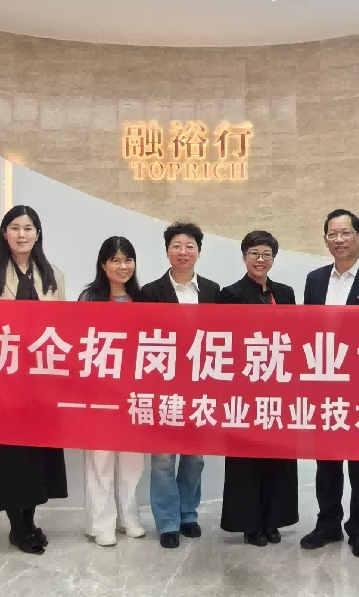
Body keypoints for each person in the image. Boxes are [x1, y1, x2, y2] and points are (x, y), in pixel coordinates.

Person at [299, 209, 359, 559]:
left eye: (345, 233)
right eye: (332, 234)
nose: (339, 240)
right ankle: (328, 523)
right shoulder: (314, 280)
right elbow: (307, 332)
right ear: (326, 239)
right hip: (324, 383)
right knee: (326, 462)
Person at [0, 205, 68, 555]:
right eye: (15, 227)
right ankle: (18, 527)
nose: (22, 234)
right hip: (5, 384)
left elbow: (62, 330)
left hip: (41, 382)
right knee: (11, 457)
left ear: (38, 233)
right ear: (4, 233)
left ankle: (30, 519)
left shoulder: (54, 275)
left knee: (37, 456)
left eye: (28, 228)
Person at [141, 221, 220, 549]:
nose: (183, 252)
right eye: (176, 246)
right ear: (167, 251)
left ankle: (188, 514)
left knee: (195, 457)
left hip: (201, 385)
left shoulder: (213, 291)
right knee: (162, 458)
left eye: (189, 246)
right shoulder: (150, 292)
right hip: (163, 386)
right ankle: (167, 521)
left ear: (198, 251)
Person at [218, 230, 299, 547]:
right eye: (254, 253)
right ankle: (250, 523)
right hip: (245, 387)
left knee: (278, 454)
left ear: (273, 259)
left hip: (280, 386)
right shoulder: (230, 294)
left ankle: (273, 520)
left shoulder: (286, 293)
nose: (260, 259)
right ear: (244, 257)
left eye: (266, 254)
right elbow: (226, 341)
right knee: (247, 458)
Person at [78, 236, 147, 547]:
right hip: (100, 390)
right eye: (116, 260)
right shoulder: (89, 298)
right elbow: (79, 342)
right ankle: (100, 523)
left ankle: (128, 517)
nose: (123, 266)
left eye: (128, 260)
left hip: (134, 391)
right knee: (101, 458)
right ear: (103, 265)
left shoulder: (142, 298)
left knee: (133, 460)